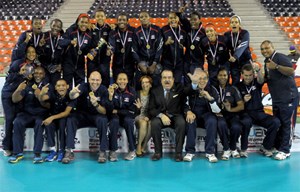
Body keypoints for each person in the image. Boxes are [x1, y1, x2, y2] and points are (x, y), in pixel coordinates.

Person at [62, 71, 112, 163]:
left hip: (96, 115)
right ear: (88, 80)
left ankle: (103, 151)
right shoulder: (83, 86)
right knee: (71, 119)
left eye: (97, 80)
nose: (95, 82)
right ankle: (69, 150)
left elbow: (104, 111)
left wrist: (96, 104)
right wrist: (72, 94)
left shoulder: (104, 90)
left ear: (101, 81)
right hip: (82, 115)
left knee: (103, 119)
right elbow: (72, 96)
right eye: (92, 79)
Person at [261, 40, 299, 160]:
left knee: (287, 124)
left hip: (289, 97)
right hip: (277, 99)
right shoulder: (266, 61)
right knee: (280, 123)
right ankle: (278, 147)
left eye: (267, 48)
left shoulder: (280, 57)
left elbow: (291, 71)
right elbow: (268, 78)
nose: (264, 51)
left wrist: (276, 66)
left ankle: (285, 150)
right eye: (262, 49)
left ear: (273, 47)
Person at [148, 69, 197, 161]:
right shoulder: (155, 91)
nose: (167, 80)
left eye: (169, 77)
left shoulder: (179, 88)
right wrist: (161, 116)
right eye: (165, 78)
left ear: (173, 79)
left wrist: (194, 83)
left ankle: (178, 153)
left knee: (181, 123)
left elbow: (188, 92)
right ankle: (158, 152)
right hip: (161, 116)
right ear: (161, 80)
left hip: (176, 115)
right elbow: (151, 109)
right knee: (154, 123)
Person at [237, 64, 281, 157]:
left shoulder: (256, 83)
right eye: (246, 75)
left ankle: (266, 147)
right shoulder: (238, 86)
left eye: (250, 75)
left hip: (259, 112)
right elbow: (236, 103)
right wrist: (243, 100)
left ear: (253, 74)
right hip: (246, 113)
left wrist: (259, 70)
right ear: (242, 75)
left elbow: (261, 80)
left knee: (275, 122)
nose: (248, 77)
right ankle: (243, 149)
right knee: (246, 122)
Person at [8, 66, 49, 164]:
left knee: (39, 123)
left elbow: (48, 106)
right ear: (33, 74)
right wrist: (18, 90)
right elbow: (14, 99)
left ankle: (37, 154)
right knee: (17, 121)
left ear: (44, 75)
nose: (38, 75)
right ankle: (17, 153)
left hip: (40, 114)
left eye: (40, 73)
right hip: (27, 114)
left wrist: (40, 96)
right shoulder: (27, 85)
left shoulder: (47, 86)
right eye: (36, 73)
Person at [184, 69, 222, 162]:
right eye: (199, 78)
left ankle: (210, 152)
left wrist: (210, 98)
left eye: (204, 78)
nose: (202, 81)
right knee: (190, 120)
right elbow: (183, 102)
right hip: (194, 114)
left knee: (212, 121)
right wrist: (188, 111)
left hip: (207, 115)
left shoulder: (212, 90)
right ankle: (190, 152)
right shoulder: (191, 89)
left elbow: (218, 110)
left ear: (208, 79)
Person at [38, 79, 76, 162]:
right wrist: (41, 93)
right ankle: (53, 150)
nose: (61, 87)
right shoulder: (53, 94)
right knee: (48, 124)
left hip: (64, 118)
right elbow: (42, 99)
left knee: (62, 122)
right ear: (55, 87)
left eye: (63, 85)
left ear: (67, 86)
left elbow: (66, 113)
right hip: (54, 117)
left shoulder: (71, 96)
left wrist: (52, 118)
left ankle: (62, 150)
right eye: (58, 86)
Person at [215, 67, 248, 160]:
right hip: (220, 115)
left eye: (225, 75)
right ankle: (226, 149)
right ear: (217, 76)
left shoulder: (233, 89)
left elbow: (241, 106)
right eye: (220, 75)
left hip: (232, 114)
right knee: (221, 124)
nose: (223, 77)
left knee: (236, 127)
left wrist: (230, 110)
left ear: (228, 76)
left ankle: (233, 148)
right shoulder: (213, 88)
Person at [1, 63, 34, 156]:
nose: (24, 72)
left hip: (18, 98)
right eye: (22, 70)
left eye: (26, 70)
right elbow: (7, 70)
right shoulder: (13, 74)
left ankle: (16, 146)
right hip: (8, 97)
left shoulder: (27, 78)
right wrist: (18, 73)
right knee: (10, 119)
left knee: (17, 119)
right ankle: (6, 146)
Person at [59, 13, 96, 87]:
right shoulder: (71, 30)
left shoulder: (89, 34)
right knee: (67, 87)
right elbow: (60, 42)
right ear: (78, 22)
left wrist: (92, 51)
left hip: (80, 66)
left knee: (80, 88)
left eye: (86, 22)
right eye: (82, 22)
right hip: (68, 64)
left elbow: (90, 48)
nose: (84, 24)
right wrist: (70, 42)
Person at [108, 73, 137, 161]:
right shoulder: (112, 90)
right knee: (114, 121)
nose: (122, 81)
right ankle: (112, 151)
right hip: (115, 117)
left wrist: (118, 111)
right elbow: (109, 109)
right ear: (116, 80)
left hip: (127, 116)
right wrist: (110, 95)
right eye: (120, 79)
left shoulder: (132, 92)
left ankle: (132, 150)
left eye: (124, 79)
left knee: (129, 121)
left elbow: (132, 111)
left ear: (127, 81)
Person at [132, 11, 163, 88]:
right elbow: (134, 49)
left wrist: (154, 63)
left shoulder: (157, 29)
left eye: (146, 16)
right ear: (139, 19)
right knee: (139, 86)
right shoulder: (136, 31)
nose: (144, 18)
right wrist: (139, 63)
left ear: (149, 18)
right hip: (142, 63)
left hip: (154, 63)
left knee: (156, 86)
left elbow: (160, 46)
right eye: (141, 17)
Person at [177, 9, 206, 84]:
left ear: (200, 20)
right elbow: (183, 19)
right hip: (187, 61)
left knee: (197, 82)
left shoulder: (203, 32)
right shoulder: (188, 29)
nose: (193, 22)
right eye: (191, 20)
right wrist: (180, 13)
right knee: (187, 82)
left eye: (195, 19)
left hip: (198, 62)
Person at [109, 13, 136, 85]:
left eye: (124, 20)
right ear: (117, 21)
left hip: (130, 65)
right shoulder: (113, 32)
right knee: (117, 86)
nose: (122, 21)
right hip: (117, 65)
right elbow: (111, 45)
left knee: (129, 86)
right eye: (120, 20)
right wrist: (110, 50)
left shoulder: (133, 31)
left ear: (127, 21)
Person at [224, 15, 252, 86]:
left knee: (248, 81)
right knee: (235, 82)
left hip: (245, 60)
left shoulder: (245, 33)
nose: (234, 24)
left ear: (239, 24)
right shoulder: (226, 35)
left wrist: (235, 56)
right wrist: (228, 56)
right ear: (230, 25)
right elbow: (225, 48)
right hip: (234, 63)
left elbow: (243, 45)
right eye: (232, 22)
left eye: (236, 22)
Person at [87, 8, 112, 88]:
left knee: (105, 82)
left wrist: (110, 49)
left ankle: (104, 99)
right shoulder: (91, 28)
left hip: (104, 61)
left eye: (102, 16)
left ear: (105, 17)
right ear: (95, 17)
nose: (100, 18)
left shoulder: (109, 28)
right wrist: (89, 50)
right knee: (91, 81)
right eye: (98, 16)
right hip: (92, 61)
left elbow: (112, 42)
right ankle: (90, 98)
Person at [161, 12, 187, 83]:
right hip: (167, 62)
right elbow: (158, 47)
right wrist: (166, 43)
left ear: (178, 19)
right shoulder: (164, 29)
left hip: (179, 62)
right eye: (171, 18)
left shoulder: (183, 30)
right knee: (167, 82)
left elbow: (187, 43)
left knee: (177, 82)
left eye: (175, 18)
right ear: (168, 19)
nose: (173, 20)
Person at [39, 19, 64, 85]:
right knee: (44, 87)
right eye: (54, 25)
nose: (55, 28)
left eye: (58, 27)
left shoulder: (63, 38)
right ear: (50, 25)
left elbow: (66, 55)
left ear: (61, 28)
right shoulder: (44, 36)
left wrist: (61, 65)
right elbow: (38, 53)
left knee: (54, 88)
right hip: (45, 68)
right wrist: (40, 46)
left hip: (56, 69)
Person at [135, 76, 153, 156]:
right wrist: (138, 108)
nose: (144, 84)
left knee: (151, 123)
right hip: (138, 116)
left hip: (148, 117)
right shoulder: (136, 93)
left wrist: (148, 116)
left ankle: (144, 145)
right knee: (143, 123)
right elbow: (132, 110)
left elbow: (154, 109)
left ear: (150, 85)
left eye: (146, 82)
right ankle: (139, 146)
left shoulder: (153, 95)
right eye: (142, 83)